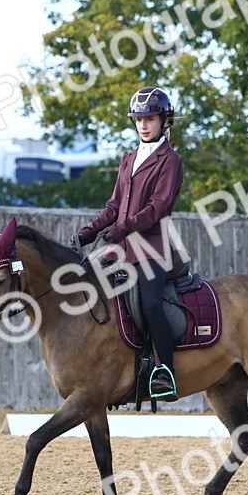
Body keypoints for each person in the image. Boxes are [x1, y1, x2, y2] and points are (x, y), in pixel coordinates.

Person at [74, 87, 184, 399]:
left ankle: (165, 372)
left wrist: (120, 229)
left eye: (150, 119)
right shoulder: (128, 160)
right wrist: (88, 231)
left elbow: (156, 209)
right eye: (139, 120)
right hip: (120, 249)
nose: (144, 125)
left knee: (150, 303)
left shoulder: (170, 160)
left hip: (151, 248)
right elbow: (113, 207)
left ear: (164, 121)